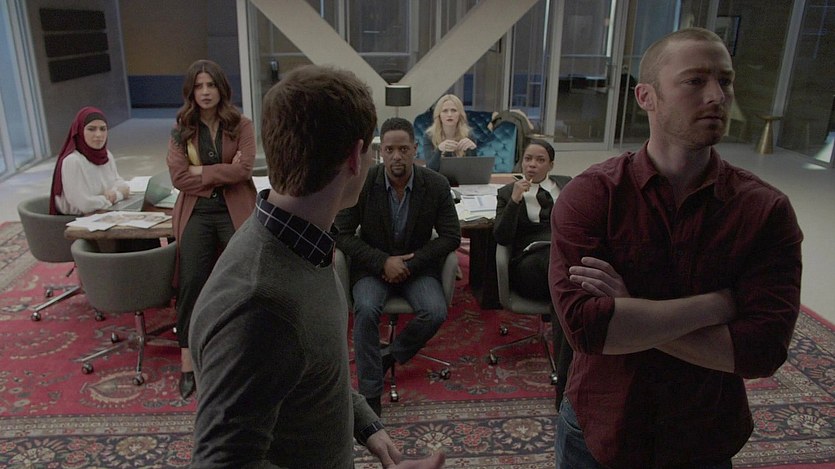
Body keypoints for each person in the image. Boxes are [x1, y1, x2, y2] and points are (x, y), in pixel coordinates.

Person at [549, 28, 803, 468]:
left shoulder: (765, 210)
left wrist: (631, 308)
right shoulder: (593, 195)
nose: (717, 96)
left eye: (725, 81)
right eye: (695, 80)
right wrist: (718, 305)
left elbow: (761, 350)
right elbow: (588, 329)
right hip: (602, 425)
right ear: (646, 97)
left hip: (702, 434)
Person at [188, 65, 444, 468]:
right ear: (355, 158)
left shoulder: (303, 241)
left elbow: (311, 366)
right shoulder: (259, 305)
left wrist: (364, 422)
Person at [335, 117, 461, 417]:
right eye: (390, 150)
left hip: (417, 268)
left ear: (415, 149)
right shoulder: (363, 182)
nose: (396, 156)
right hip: (372, 267)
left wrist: (411, 263)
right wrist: (383, 262)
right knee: (366, 309)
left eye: (403, 149)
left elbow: (451, 236)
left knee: (435, 311)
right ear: (381, 151)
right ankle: (370, 394)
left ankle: (389, 356)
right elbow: (340, 234)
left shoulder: (436, 184)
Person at [166, 59, 256, 400]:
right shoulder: (181, 128)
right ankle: (188, 362)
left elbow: (245, 170)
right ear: (191, 91)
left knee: (242, 280)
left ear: (222, 88)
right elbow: (179, 177)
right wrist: (222, 170)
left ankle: (242, 352)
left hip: (234, 208)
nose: (205, 92)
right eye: (199, 86)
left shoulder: (241, 124)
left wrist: (200, 171)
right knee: (191, 283)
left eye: (211, 85)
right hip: (197, 212)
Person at [493, 139, 570, 302]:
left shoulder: (566, 185)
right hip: (529, 261)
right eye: (528, 159)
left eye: (540, 160)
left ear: (551, 165)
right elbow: (502, 237)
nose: (532, 165)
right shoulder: (507, 193)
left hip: (563, 253)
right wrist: (514, 201)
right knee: (557, 267)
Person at [50, 106, 130, 216]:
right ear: (79, 131)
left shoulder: (106, 155)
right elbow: (85, 204)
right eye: (91, 129)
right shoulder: (73, 161)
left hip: (104, 212)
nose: (98, 135)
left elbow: (121, 184)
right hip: (76, 220)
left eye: (103, 129)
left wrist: (111, 194)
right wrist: (117, 195)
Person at [420, 94, 477, 171]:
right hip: (438, 177)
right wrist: (439, 150)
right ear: (439, 115)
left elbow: (473, 170)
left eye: (454, 110)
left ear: (460, 114)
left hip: (462, 177)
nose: (449, 115)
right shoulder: (429, 135)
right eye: (445, 111)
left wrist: (473, 149)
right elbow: (430, 169)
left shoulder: (468, 135)